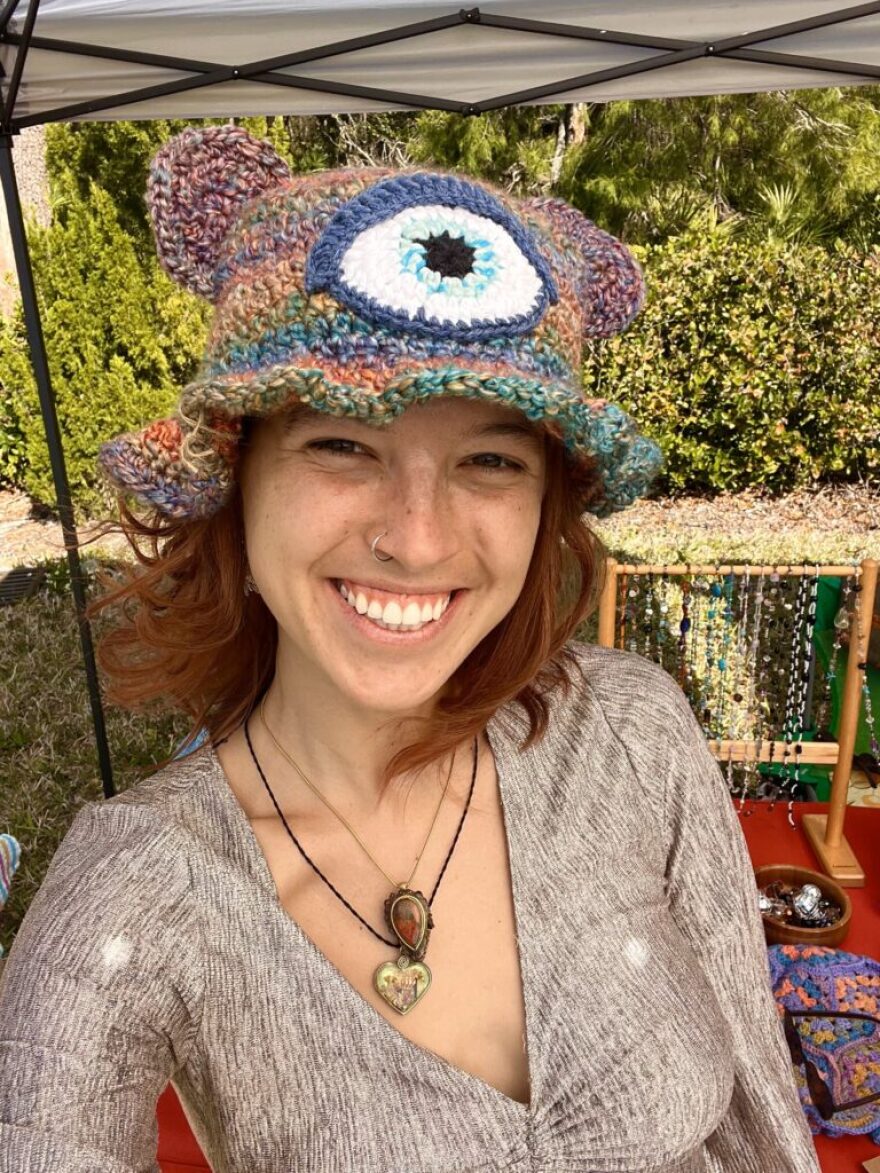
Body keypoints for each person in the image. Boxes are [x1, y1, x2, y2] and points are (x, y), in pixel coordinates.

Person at [0, 125, 820, 1172]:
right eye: (342, 442)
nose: (417, 537)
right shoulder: (139, 896)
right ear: (233, 483)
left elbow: (759, 1112)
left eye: (488, 459)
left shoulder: (632, 737)